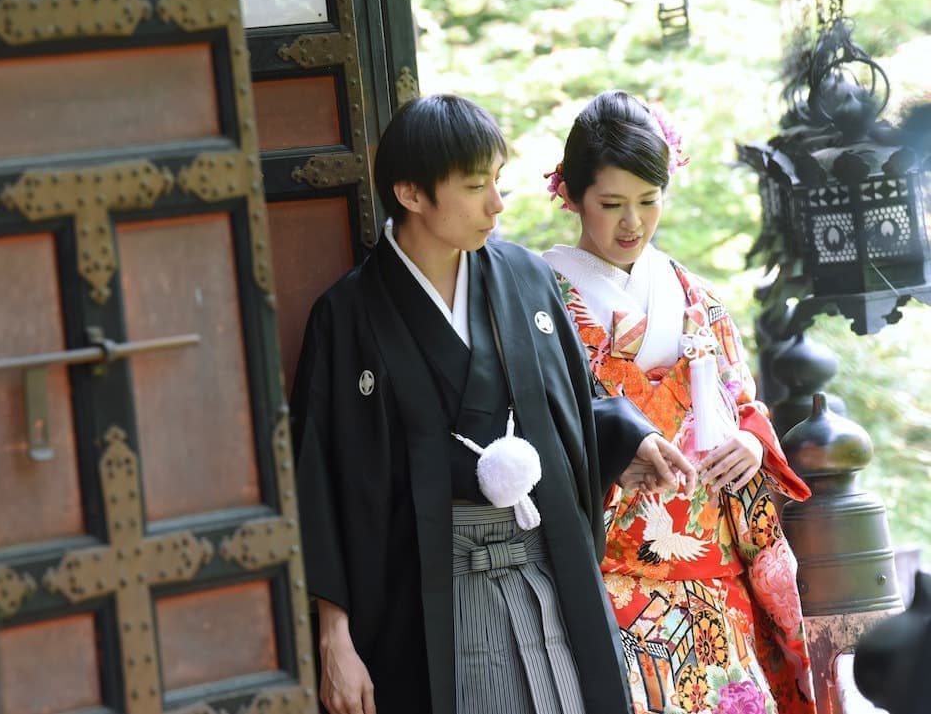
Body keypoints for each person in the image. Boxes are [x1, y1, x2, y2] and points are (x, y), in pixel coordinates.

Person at [290, 93, 697, 714]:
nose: (497, 205)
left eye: (498, 181)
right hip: (429, 588)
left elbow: (570, 405)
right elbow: (321, 481)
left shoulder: (525, 279)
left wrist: (625, 437)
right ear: (411, 193)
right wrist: (334, 637)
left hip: (545, 566)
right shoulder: (346, 317)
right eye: (476, 186)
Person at [541, 89, 818, 714]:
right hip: (608, 586)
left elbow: (744, 404)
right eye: (611, 204)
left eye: (648, 201)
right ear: (571, 194)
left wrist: (749, 440)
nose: (631, 223)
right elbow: (533, 427)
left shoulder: (698, 297)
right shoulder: (539, 299)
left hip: (716, 586)